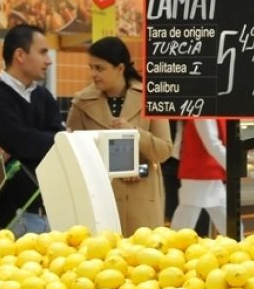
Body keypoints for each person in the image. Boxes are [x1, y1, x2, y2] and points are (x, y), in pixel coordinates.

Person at [66, 37, 173, 235]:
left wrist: (135, 134)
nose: (94, 74)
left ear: (120, 68)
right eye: (91, 68)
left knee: (143, 251)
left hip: (141, 200)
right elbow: (73, 153)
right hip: (99, 200)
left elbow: (164, 150)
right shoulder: (81, 103)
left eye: (100, 68)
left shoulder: (150, 97)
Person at [0, 24, 63, 236]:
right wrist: (27, 143)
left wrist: (17, 146)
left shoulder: (43, 96)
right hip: (9, 217)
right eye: (42, 52)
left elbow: (58, 143)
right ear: (20, 55)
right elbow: (23, 141)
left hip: (48, 211)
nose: (48, 60)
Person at [171, 119, 229, 234]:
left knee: (221, 211)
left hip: (203, 170)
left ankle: (238, 240)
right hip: (200, 170)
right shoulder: (204, 112)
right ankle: (239, 240)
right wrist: (233, 165)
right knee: (187, 214)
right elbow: (212, 143)